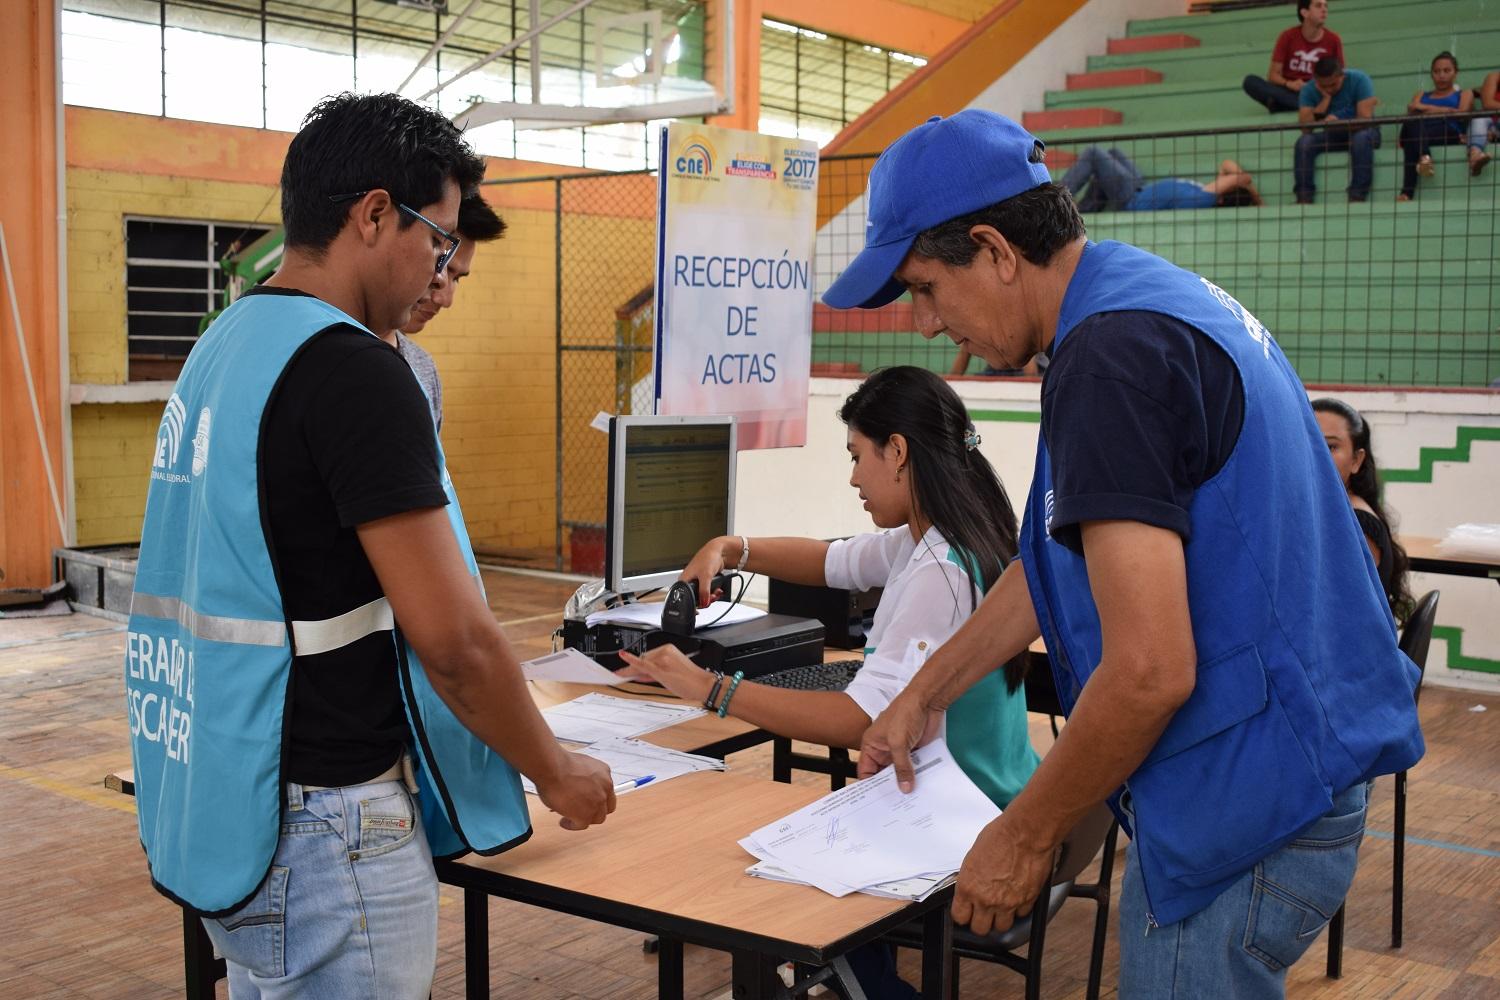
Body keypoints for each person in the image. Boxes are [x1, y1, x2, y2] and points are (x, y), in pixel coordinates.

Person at [822, 109, 1424, 997]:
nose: (925, 325)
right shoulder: (1140, 301)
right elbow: (1050, 568)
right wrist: (922, 693)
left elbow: (1149, 672)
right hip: (1295, 769)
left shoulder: (1110, 360)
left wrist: (1024, 834)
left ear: (993, 250)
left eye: (924, 289)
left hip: (1249, 804)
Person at [124, 92, 614, 999]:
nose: (439, 270)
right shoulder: (355, 369)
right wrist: (556, 771)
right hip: (330, 833)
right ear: (374, 213)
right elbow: (457, 643)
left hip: (239, 793)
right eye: (438, 240)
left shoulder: (226, 343)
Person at [620, 365, 1039, 1000]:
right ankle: (838, 974)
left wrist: (708, 688)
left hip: (962, 819)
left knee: (752, 866)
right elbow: (829, 559)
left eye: (856, 456)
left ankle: (857, 980)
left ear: (897, 452)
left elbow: (860, 721)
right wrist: (729, 548)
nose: (852, 478)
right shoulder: (939, 539)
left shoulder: (938, 572)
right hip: (994, 791)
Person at [385, 192, 507, 430]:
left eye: (457, 278)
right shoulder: (324, 356)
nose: (446, 298)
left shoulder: (423, 368)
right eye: (441, 266)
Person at [1312, 398, 1414, 623]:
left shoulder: (1357, 522)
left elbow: (1334, 616)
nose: (1316, 455)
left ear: (1356, 460)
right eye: (1308, 443)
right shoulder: (1332, 510)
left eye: (1330, 447)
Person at [1397, 52, 1487, 201]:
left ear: (1455, 73)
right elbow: (1412, 111)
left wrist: (1424, 108)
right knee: (1412, 122)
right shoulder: (1420, 95)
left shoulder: (1464, 93)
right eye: (1437, 71)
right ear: (1432, 74)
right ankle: (1425, 156)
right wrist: (1447, 110)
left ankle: (1406, 192)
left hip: (1447, 132)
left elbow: (1461, 114)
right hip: (1420, 131)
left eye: (1446, 71)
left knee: (1413, 139)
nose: (1441, 75)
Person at [1061, 146, 1262, 212]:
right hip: (1139, 187)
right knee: (1113, 153)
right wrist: (1255, 198)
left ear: (1222, 197)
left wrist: (1256, 199)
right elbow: (1227, 165)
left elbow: (1240, 177)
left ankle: (1055, 200)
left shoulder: (1204, 198)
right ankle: (1085, 209)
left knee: (1094, 153)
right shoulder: (1205, 191)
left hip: (1131, 199)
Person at [1294, 57, 1380, 203]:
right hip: (1332, 135)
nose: (1329, 89)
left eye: (1333, 84)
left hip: (1363, 133)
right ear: (1316, 80)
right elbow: (1305, 129)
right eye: (1323, 86)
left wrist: (1340, 123)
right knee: (1304, 142)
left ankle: (1357, 195)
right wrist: (1324, 100)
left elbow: (1365, 119)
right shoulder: (1309, 89)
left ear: (1342, 76)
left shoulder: (1359, 79)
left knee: (1360, 138)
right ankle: (1304, 197)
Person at [1243, 0, 1344, 113]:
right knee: (1250, 81)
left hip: (1318, 91)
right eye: (1318, 6)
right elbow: (1272, 76)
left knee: (1336, 95)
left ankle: (1284, 105)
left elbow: (1341, 75)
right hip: (1289, 90)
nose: (1324, 9)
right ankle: (1300, 105)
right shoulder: (1287, 36)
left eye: (1326, 6)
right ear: (1304, 12)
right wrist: (1289, 84)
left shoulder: (1333, 40)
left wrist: (1320, 88)